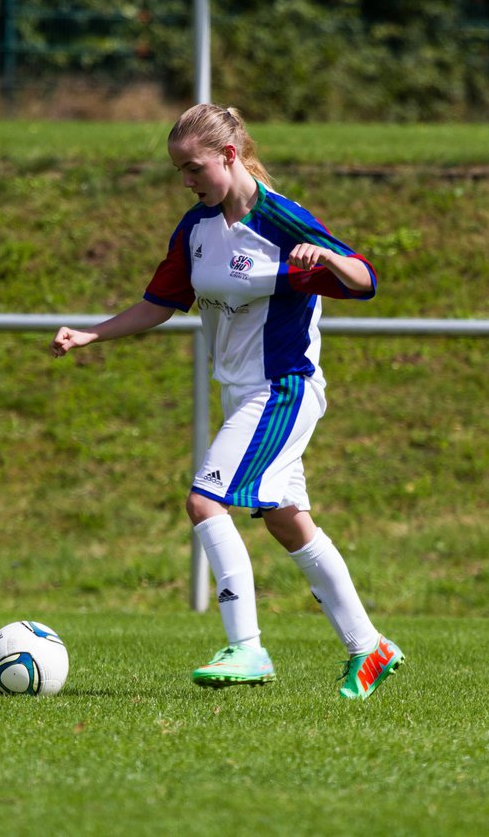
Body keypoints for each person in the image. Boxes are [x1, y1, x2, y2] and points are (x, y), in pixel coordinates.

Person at [50, 103, 404, 700]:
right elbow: (160, 302)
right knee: (288, 523)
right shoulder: (196, 229)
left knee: (204, 501)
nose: (186, 181)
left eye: (193, 168)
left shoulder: (279, 220)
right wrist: (92, 333)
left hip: (283, 388)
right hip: (241, 391)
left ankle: (247, 648)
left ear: (230, 156)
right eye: (179, 171)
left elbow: (364, 278)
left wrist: (328, 258)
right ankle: (369, 649)